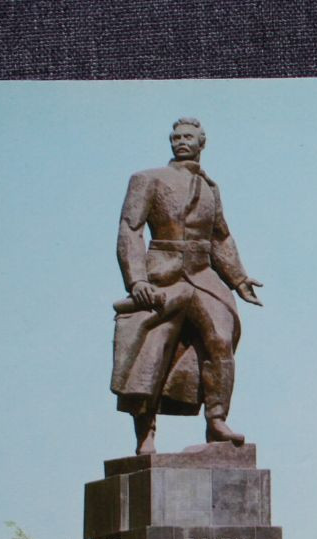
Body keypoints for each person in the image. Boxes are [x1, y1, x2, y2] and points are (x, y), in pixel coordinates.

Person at [112, 118, 264, 455]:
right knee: (152, 351)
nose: (180, 141)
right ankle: (146, 436)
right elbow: (129, 229)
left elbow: (220, 236)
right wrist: (137, 280)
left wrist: (238, 279)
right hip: (161, 274)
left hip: (203, 273)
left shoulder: (211, 188)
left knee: (221, 340)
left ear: (201, 142)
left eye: (188, 137)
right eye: (176, 137)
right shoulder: (148, 179)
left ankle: (217, 420)